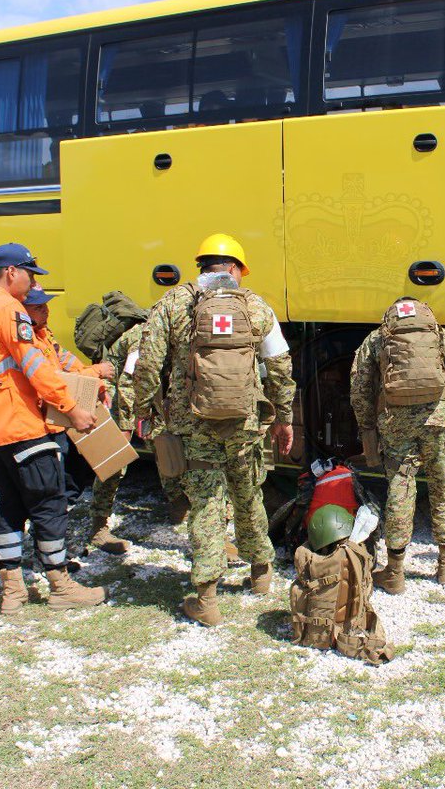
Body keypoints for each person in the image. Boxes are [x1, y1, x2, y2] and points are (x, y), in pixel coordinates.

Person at [134, 233, 295, 626]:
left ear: (200, 265)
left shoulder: (173, 303)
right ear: (236, 268)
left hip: (193, 424)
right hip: (244, 423)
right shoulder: (255, 306)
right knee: (248, 493)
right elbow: (280, 367)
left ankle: (206, 599)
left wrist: (144, 410)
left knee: (206, 504)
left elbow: (147, 363)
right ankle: (261, 574)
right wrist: (284, 418)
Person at [0, 243, 106, 614]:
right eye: (30, 274)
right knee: (48, 505)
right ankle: (60, 586)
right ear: (11, 272)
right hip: (23, 425)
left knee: (10, 507)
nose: (31, 284)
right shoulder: (8, 309)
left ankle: (12, 591)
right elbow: (36, 367)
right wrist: (72, 409)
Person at [350, 299, 445, 592]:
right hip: (440, 421)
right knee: (444, 490)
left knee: (400, 491)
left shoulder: (377, 338)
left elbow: (359, 388)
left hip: (396, 423)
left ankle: (395, 572)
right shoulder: (438, 334)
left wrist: (367, 427)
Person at [22, 285, 121, 549]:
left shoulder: (43, 335)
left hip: (59, 422)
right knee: (52, 489)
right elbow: (52, 378)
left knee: (71, 480)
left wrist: (95, 381)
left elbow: (67, 362)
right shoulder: (27, 342)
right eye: (38, 307)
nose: (46, 310)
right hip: (45, 425)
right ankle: (47, 548)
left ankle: (53, 544)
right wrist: (96, 372)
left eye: (45, 305)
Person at [84, 318, 145, 555]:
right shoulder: (144, 336)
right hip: (115, 390)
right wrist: (127, 425)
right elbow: (127, 382)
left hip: (146, 391)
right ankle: (98, 526)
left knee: (167, 447)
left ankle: (178, 506)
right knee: (114, 460)